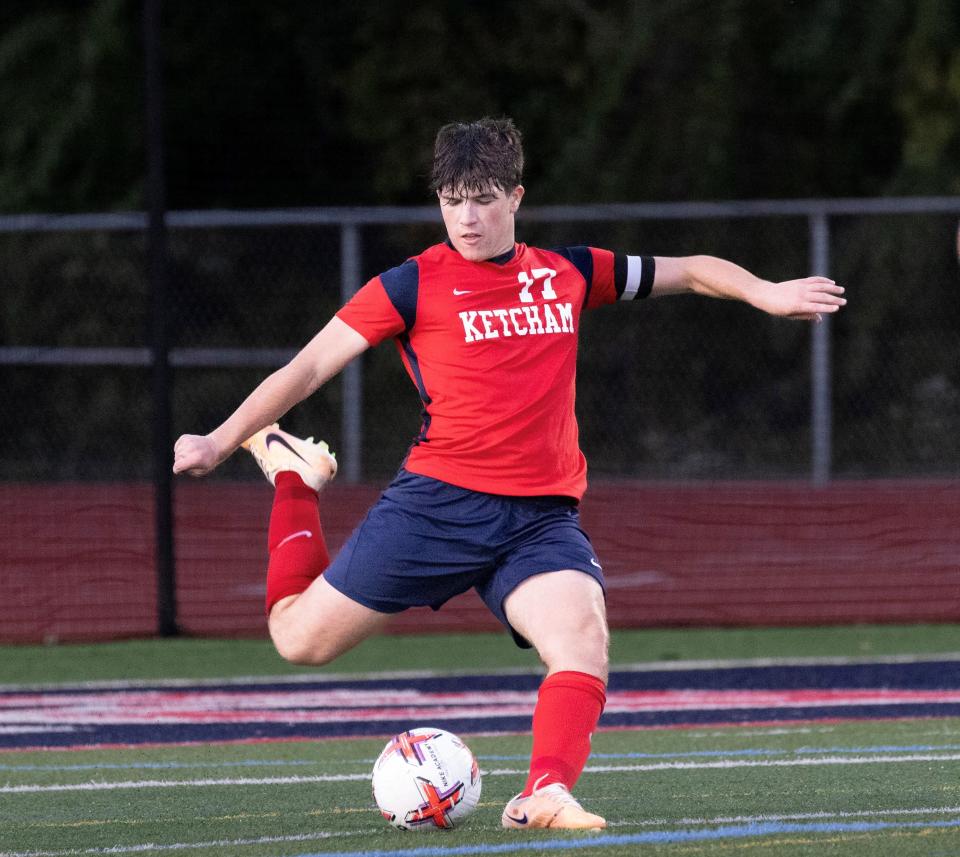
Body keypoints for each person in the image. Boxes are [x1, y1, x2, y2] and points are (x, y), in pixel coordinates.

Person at [173, 117, 846, 830]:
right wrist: (222, 440)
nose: (467, 216)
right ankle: (295, 477)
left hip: (539, 519)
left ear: (516, 196)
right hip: (435, 507)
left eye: (485, 197)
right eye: (452, 198)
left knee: (582, 641)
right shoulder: (410, 285)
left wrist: (767, 292)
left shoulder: (570, 273)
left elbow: (690, 269)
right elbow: (307, 366)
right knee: (297, 640)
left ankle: (544, 793)